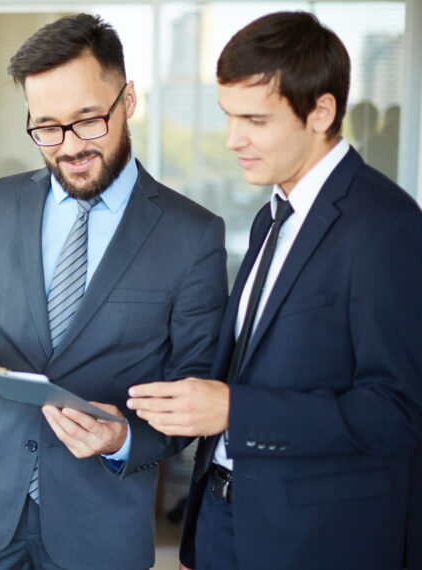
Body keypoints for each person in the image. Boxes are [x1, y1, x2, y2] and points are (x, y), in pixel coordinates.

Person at [0, 14, 228, 569]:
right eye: (47, 127)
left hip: (99, 525)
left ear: (128, 100)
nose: (70, 147)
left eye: (88, 121)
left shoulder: (193, 235)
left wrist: (121, 438)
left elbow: (193, 396)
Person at [126, 12, 422, 570]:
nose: (233, 139)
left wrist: (237, 410)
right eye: (228, 117)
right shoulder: (272, 218)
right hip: (224, 522)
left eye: (255, 120)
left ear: (322, 111)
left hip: (315, 541)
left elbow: (398, 410)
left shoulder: (386, 226)